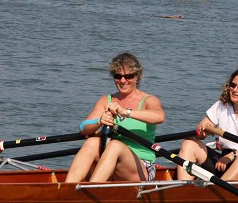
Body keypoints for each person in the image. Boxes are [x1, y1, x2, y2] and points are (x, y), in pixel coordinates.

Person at [65, 53, 165, 183]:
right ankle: (66, 189)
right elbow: (83, 127)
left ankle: (91, 190)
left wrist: (126, 112)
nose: (122, 81)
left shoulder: (149, 100)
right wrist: (99, 121)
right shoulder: (106, 100)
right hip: (109, 161)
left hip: (141, 168)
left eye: (128, 76)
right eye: (118, 76)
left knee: (116, 145)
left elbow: (159, 116)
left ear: (137, 77)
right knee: (92, 142)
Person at [176, 67, 238, 181]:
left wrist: (233, 155)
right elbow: (200, 130)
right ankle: (183, 190)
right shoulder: (221, 106)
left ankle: (218, 192)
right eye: (232, 85)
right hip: (224, 161)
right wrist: (202, 131)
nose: (235, 90)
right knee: (189, 143)